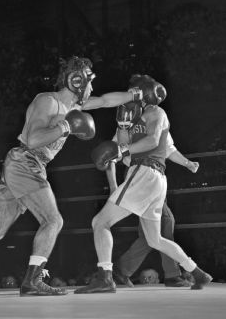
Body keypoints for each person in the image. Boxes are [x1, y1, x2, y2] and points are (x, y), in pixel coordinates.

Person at [0, 56, 145, 296]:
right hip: (26, 161)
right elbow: (34, 139)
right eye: (89, 81)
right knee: (53, 220)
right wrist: (65, 127)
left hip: (28, 165)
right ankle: (33, 280)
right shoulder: (47, 101)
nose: (92, 88)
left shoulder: (75, 107)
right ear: (76, 81)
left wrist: (136, 95)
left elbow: (106, 101)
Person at [74, 74, 212, 294]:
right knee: (155, 239)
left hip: (145, 172)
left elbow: (155, 143)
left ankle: (105, 277)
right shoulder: (133, 117)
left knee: (100, 222)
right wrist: (122, 126)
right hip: (151, 178)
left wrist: (186, 163)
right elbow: (118, 147)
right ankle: (197, 272)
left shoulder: (157, 113)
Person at [107, 101, 200, 287]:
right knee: (163, 224)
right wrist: (114, 187)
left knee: (151, 235)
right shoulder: (127, 125)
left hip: (152, 179)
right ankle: (174, 274)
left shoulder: (156, 118)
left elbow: (168, 148)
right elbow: (110, 155)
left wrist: (188, 163)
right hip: (140, 179)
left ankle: (120, 270)